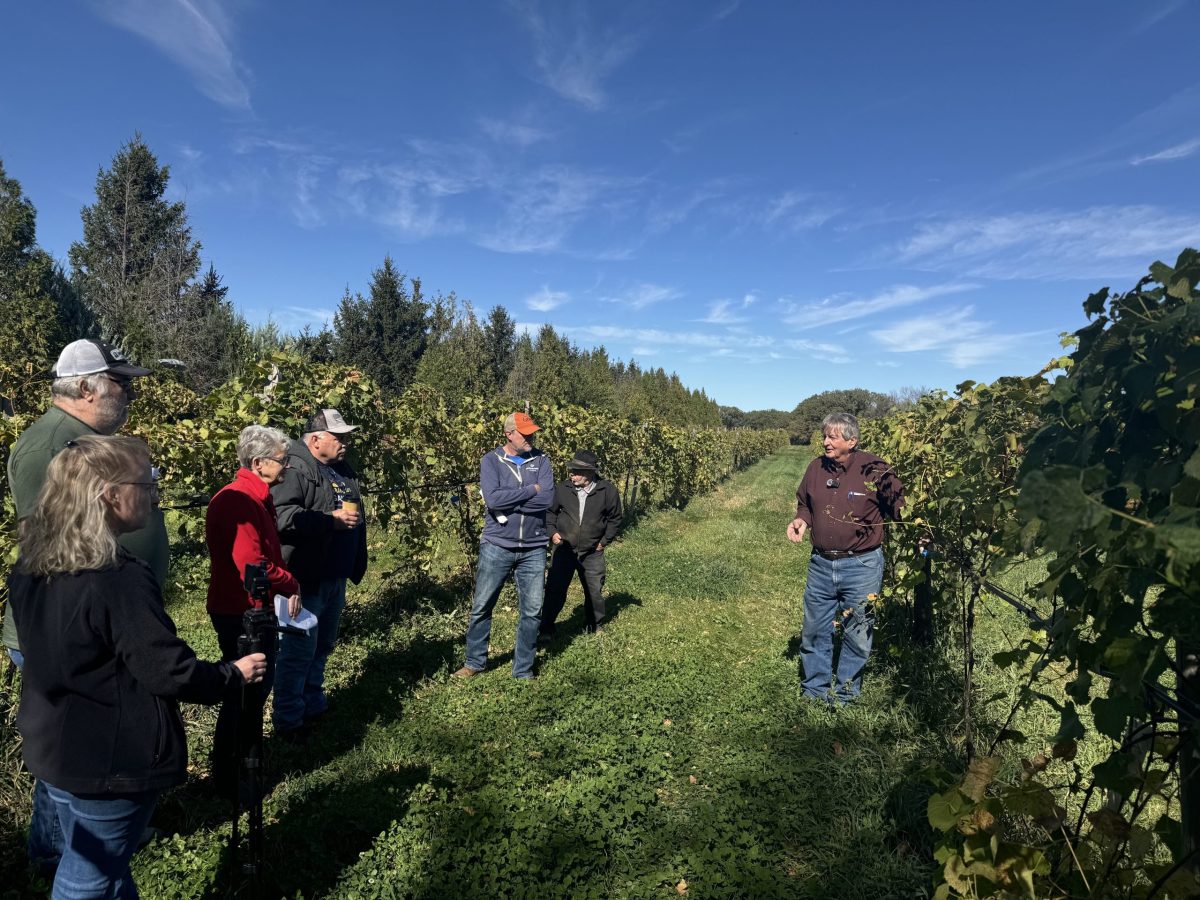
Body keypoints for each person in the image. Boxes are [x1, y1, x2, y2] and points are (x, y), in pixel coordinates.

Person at [8, 435, 266, 899]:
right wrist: (234, 674)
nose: (154, 491)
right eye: (147, 481)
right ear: (110, 494)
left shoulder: (34, 562)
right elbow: (167, 669)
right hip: (109, 759)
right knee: (87, 878)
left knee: (103, 865)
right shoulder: (116, 577)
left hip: (56, 744)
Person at [4, 338, 168, 875]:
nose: (129, 393)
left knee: (77, 753)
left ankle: (85, 849)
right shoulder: (48, 445)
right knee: (71, 757)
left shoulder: (88, 439)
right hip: (72, 630)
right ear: (84, 388)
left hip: (104, 623)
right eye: (120, 384)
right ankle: (60, 859)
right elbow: (52, 545)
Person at [205, 425, 301, 793]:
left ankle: (243, 760)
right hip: (242, 611)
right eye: (282, 460)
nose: (287, 466)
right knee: (246, 690)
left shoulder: (253, 495)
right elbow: (252, 564)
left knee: (253, 688)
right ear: (260, 463)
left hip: (249, 607)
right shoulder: (239, 501)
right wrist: (290, 582)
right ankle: (232, 773)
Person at [786, 412, 904, 705]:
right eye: (824, 435)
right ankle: (814, 691)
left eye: (832, 437)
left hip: (862, 565)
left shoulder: (875, 469)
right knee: (814, 629)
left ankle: (845, 695)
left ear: (851, 441)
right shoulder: (816, 468)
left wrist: (923, 531)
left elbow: (900, 506)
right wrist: (802, 520)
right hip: (821, 563)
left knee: (858, 632)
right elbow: (805, 503)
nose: (825, 442)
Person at [270, 409, 366, 741]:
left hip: (332, 575)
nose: (345, 443)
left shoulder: (339, 468)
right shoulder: (294, 469)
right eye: (339, 437)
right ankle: (289, 721)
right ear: (315, 439)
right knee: (297, 651)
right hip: (302, 578)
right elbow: (282, 517)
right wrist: (330, 521)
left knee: (322, 645)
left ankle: (312, 704)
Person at [453, 412, 554, 680]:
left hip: (534, 546)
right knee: (482, 605)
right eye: (525, 433)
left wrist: (515, 498)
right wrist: (530, 490)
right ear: (509, 434)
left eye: (532, 432)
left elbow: (546, 500)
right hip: (498, 543)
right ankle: (474, 662)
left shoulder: (542, 460)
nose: (531, 437)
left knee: (532, 611)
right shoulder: (491, 461)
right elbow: (494, 501)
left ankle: (523, 670)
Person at [539, 449, 622, 638]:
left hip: (592, 551)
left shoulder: (607, 491)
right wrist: (552, 533)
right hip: (564, 549)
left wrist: (604, 541)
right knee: (555, 589)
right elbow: (550, 513)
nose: (572, 475)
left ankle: (594, 625)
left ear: (590, 473)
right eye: (572, 470)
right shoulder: (562, 489)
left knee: (594, 590)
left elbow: (615, 518)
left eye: (576, 471)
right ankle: (546, 628)